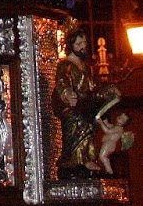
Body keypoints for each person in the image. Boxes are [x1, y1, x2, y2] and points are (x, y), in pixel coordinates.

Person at [51, 23, 119, 177]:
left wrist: (107, 91)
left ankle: (88, 159)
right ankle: (77, 161)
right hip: (74, 109)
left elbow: (92, 88)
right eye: (79, 44)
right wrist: (67, 94)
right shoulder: (66, 65)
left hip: (86, 107)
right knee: (79, 127)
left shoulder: (86, 67)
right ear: (71, 45)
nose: (83, 47)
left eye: (85, 43)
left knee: (90, 130)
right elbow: (62, 83)